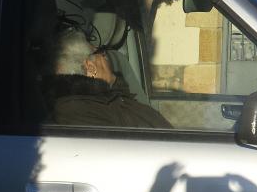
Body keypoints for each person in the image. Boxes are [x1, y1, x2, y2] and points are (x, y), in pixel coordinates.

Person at [42, 28, 171, 128]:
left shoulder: (105, 100)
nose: (106, 57)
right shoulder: (77, 113)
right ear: (91, 68)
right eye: (101, 52)